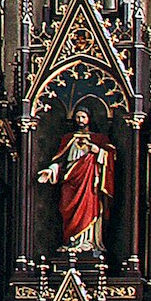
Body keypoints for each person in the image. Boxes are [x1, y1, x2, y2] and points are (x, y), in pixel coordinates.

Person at [39, 103, 116, 251]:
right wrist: (51, 170)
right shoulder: (68, 138)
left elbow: (111, 155)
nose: (80, 120)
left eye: (83, 117)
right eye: (78, 117)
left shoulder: (98, 138)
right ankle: (71, 242)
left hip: (89, 183)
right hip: (71, 181)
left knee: (89, 209)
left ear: (89, 119)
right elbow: (60, 160)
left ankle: (88, 242)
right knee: (68, 209)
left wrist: (97, 150)